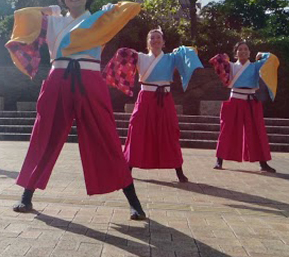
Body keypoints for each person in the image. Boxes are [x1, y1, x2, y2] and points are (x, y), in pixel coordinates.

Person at [6, 0, 146, 219]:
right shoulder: (52, 21)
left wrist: (110, 10)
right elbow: (22, 14)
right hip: (58, 78)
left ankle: (133, 200)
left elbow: (131, 8)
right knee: (44, 134)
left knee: (106, 136)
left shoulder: (100, 20)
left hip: (89, 80)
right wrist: (46, 9)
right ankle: (26, 196)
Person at [103, 29, 202, 182]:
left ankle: (178, 170)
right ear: (147, 43)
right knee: (136, 129)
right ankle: (127, 167)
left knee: (170, 131)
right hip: (146, 98)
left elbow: (192, 52)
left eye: (159, 38)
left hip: (165, 98)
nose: (155, 40)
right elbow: (122, 54)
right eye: (152, 38)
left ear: (164, 42)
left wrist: (181, 49)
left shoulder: (172, 57)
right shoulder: (140, 57)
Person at [210, 41, 279, 172]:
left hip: (251, 102)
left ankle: (263, 163)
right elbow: (215, 60)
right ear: (235, 53)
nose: (243, 51)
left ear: (249, 53)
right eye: (240, 49)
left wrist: (262, 54)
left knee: (257, 131)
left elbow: (272, 59)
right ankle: (219, 160)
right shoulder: (230, 66)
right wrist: (224, 57)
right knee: (226, 131)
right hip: (235, 99)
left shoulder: (255, 66)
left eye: (246, 49)